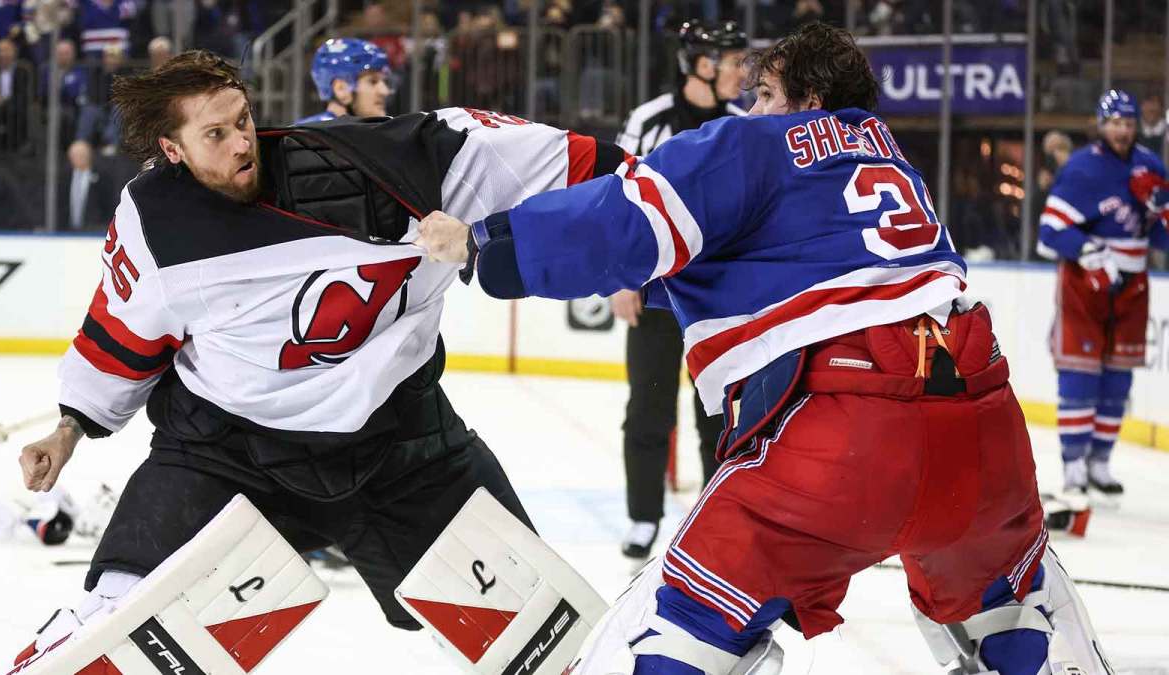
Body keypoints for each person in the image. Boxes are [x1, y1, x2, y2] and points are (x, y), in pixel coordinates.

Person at [416, 23, 1110, 674]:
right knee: (1014, 606)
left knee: (672, 621)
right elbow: (783, 272)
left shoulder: (751, 144)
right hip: (987, 436)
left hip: (845, 441)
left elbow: (620, 223)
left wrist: (485, 243)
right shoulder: (894, 162)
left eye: (767, 95)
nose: (751, 108)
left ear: (808, 103)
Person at [12, 49, 630, 664]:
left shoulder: (400, 163)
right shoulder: (154, 222)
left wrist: (642, 219)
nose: (240, 143)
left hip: (404, 446)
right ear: (173, 150)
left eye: (244, 120)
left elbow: (601, 175)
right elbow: (121, 334)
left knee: (540, 637)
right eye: (215, 134)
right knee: (118, 624)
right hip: (230, 450)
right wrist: (71, 428)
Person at [611, 19, 747, 561]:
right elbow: (616, 197)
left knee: (718, 414)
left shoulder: (744, 123)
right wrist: (623, 277)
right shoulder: (650, 121)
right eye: (734, 61)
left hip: (719, 299)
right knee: (647, 411)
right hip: (657, 294)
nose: (743, 71)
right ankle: (644, 518)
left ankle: (714, 518)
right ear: (703, 64)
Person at [1037, 89, 1169, 499]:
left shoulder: (1151, 166)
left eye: (1129, 124)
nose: (1123, 131)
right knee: (1079, 375)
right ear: (1101, 123)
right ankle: (1073, 464)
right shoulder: (1081, 168)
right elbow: (1048, 233)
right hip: (1085, 284)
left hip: (1133, 286)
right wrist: (1089, 250)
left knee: (1117, 379)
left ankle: (1100, 462)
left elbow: (1163, 240)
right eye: (1115, 123)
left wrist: (1161, 205)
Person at [296, 37, 391, 125]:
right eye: (373, 81)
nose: (385, 91)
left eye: (384, 82)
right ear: (340, 89)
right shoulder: (312, 137)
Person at [58, 139, 115, 230]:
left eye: (82, 155)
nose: (78, 158)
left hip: (93, 231)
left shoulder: (102, 176)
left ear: (89, 155)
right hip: (67, 231)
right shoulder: (64, 177)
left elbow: (108, 203)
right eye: (75, 155)